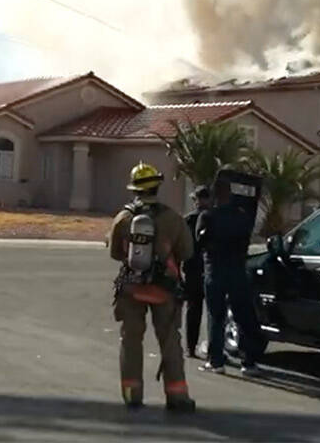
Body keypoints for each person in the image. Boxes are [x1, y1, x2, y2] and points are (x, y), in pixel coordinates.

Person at [107, 162, 196, 412]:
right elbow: (187, 252)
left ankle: (131, 394)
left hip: (131, 289)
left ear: (134, 189)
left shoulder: (123, 218)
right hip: (165, 290)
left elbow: (115, 254)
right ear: (157, 186)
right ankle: (177, 396)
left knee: (131, 340)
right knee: (169, 341)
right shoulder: (173, 218)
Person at [196, 173, 263, 377]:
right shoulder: (243, 216)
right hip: (237, 271)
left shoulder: (208, 216)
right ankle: (248, 362)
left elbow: (199, 242)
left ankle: (216, 361)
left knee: (216, 316)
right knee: (242, 315)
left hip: (215, 271)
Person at [183, 185, 212, 358]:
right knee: (212, 312)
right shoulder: (215, 218)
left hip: (194, 269)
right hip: (207, 269)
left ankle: (191, 347)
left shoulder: (189, 220)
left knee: (194, 309)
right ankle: (211, 349)